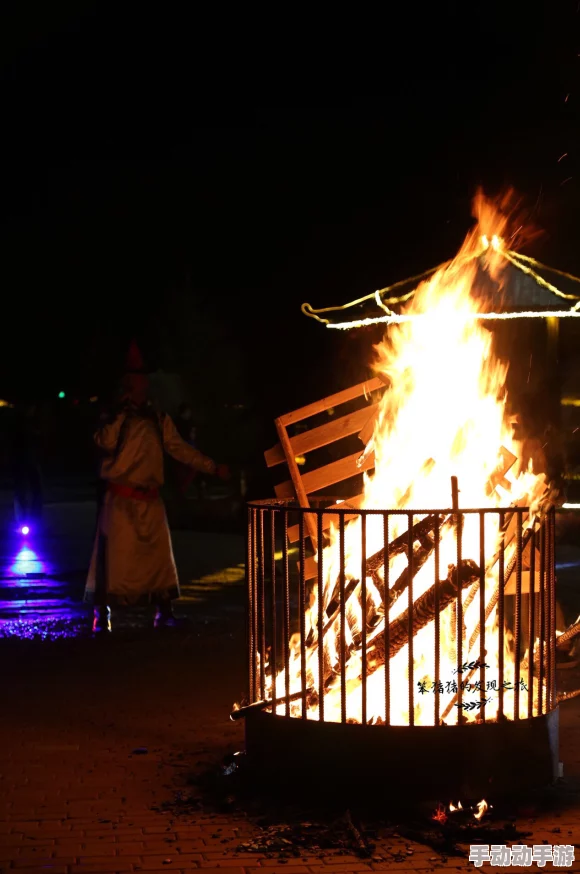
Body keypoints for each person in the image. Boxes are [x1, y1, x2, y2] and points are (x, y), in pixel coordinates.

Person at [84, 341, 229, 632]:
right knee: (114, 561)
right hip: (121, 501)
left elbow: (180, 449)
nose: (143, 383)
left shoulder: (157, 419)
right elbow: (104, 442)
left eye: (143, 377)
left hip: (150, 500)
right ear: (128, 383)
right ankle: (102, 613)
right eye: (137, 378)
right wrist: (118, 413)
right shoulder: (115, 418)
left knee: (159, 561)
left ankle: (164, 612)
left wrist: (211, 466)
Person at [12, 401, 43, 528]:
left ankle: (30, 520)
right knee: (24, 492)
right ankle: (24, 521)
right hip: (25, 461)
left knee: (33, 492)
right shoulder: (22, 425)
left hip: (30, 461)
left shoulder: (30, 425)